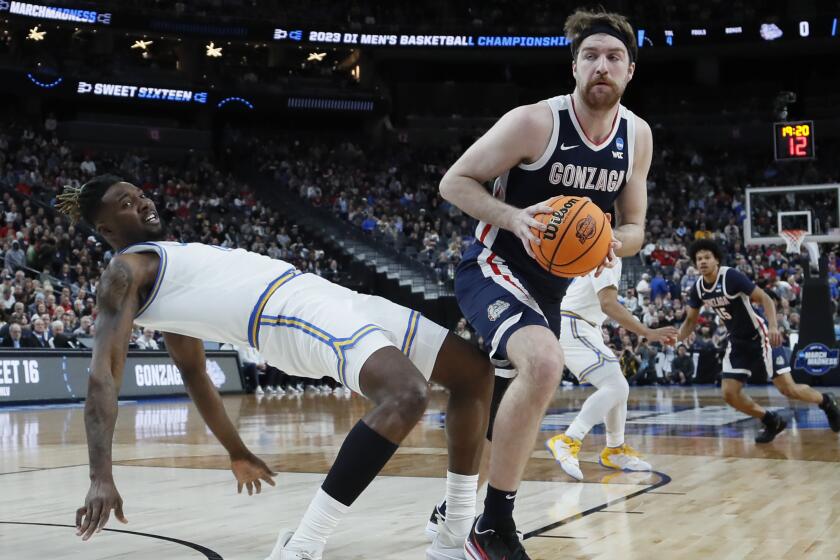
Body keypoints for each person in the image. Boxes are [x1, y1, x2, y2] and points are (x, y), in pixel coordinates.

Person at [59, 176, 493, 560]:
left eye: (138, 194)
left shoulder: (168, 268)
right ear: (106, 229)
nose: (142, 202)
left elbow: (194, 374)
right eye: (125, 203)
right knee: (407, 394)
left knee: (473, 374)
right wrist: (101, 475)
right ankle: (303, 546)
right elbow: (103, 375)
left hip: (324, 295)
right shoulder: (124, 270)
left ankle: (455, 529)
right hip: (286, 313)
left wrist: (237, 451)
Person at [437, 8, 651, 558]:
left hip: (550, 288)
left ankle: (457, 506)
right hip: (493, 265)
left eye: (614, 57)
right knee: (546, 364)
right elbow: (453, 181)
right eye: (591, 56)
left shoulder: (636, 136)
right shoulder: (535, 122)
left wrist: (610, 242)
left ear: (630, 70)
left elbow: (634, 229)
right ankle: (493, 529)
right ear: (574, 66)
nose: (602, 66)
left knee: (514, 399)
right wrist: (514, 218)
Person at [677, 239, 840, 443]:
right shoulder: (698, 288)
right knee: (729, 393)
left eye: (707, 257)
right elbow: (690, 320)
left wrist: (773, 326)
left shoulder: (731, 277)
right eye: (699, 259)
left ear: (716, 260)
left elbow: (765, 298)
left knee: (787, 389)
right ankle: (771, 420)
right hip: (737, 342)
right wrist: (675, 338)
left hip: (760, 335)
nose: (702, 262)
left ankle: (826, 402)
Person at [545, 261, 677, 480]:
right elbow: (608, 304)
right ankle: (569, 440)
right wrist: (646, 331)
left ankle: (614, 450)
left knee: (616, 386)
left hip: (584, 325)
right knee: (616, 385)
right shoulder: (608, 255)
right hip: (574, 324)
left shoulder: (609, 255)